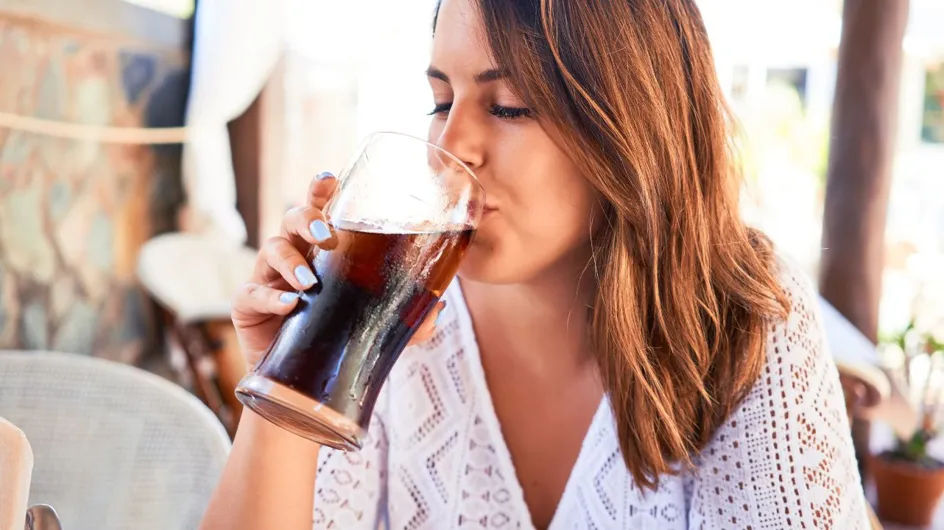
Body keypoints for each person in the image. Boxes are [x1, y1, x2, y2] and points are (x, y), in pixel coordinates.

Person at [200, 0, 870, 528]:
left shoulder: (744, 318)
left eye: (509, 105)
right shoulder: (397, 314)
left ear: (630, 124)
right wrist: (290, 378)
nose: (449, 147)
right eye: (442, 100)